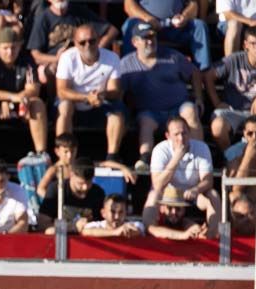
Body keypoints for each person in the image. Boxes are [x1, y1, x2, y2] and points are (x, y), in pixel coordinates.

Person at [118, 22, 203, 173]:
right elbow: (120, 92)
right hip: (150, 110)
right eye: (145, 38)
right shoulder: (126, 64)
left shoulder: (172, 56)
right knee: (146, 122)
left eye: (152, 37)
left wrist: (199, 97)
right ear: (135, 42)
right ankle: (145, 158)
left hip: (178, 107)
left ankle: (198, 155)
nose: (150, 41)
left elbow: (194, 73)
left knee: (190, 110)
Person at [205, 25, 256, 151]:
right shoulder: (234, 60)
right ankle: (231, 158)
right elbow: (208, 76)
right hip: (232, 110)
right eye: (253, 43)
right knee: (217, 126)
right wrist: (217, 102)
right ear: (246, 45)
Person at [0, 27, 48, 163]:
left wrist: (15, 102)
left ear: (19, 47)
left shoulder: (26, 60)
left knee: (37, 103)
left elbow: (33, 89)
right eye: (6, 48)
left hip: (21, 105)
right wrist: (9, 98)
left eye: (13, 47)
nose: (10, 52)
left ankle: (41, 153)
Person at [55, 24, 126, 164]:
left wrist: (102, 95)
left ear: (98, 40)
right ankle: (63, 157)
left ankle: (112, 156)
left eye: (92, 41)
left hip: (101, 102)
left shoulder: (112, 58)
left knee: (117, 112)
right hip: (74, 102)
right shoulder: (67, 58)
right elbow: (61, 91)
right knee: (64, 107)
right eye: (82, 42)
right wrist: (86, 97)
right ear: (75, 43)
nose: (88, 45)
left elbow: (116, 91)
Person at [143, 116, 218, 233]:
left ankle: (211, 234)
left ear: (190, 133)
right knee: (153, 196)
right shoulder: (160, 149)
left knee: (213, 196)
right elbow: (157, 184)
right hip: (168, 194)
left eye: (184, 133)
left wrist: (196, 189)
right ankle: (150, 230)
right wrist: (177, 156)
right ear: (168, 136)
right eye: (176, 134)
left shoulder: (201, 147)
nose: (181, 138)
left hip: (192, 192)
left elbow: (208, 180)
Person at [27, 0, 115, 84]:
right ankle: (54, 99)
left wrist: (96, 48)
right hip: (55, 61)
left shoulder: (79, 12)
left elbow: (112, 30)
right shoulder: (42, 18)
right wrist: (58, 58)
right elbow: (35, 54)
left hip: (81, 59)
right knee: (52, 69)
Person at [36, 132, 136, 199]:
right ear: (57, 151)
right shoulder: (55, 169)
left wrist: (123, 168)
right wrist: (54, 201)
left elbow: (103, 164)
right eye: (66, 152)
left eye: (72, 151)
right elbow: (40, 189)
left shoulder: (80, 164)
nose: (70, 155)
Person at [122, 0, 212, 71]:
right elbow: (129, 6)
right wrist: (148, 19)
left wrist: (185, 16)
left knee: (199, 25)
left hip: (175, 26)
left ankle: (204, 74)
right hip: (146, 25)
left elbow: (193, 5)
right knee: (130, 25)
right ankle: (130, 73)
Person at [38, 158, 106, 232]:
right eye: (80, 183)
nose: (85, 187)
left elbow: (104, 223)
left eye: (89, 183)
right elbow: (42, 224)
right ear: (71, 175)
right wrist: (73, 227)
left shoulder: (98, 192)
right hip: (61, 237)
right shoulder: (56, 189)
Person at [80, 193, 146, 237]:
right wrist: (115, 232)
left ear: (126, 213)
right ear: (103, 213)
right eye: (112, 212)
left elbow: (138, 230)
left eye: (121, 212)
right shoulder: (96, 225)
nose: (117, 217)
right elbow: (85, 231)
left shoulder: (135, 224)